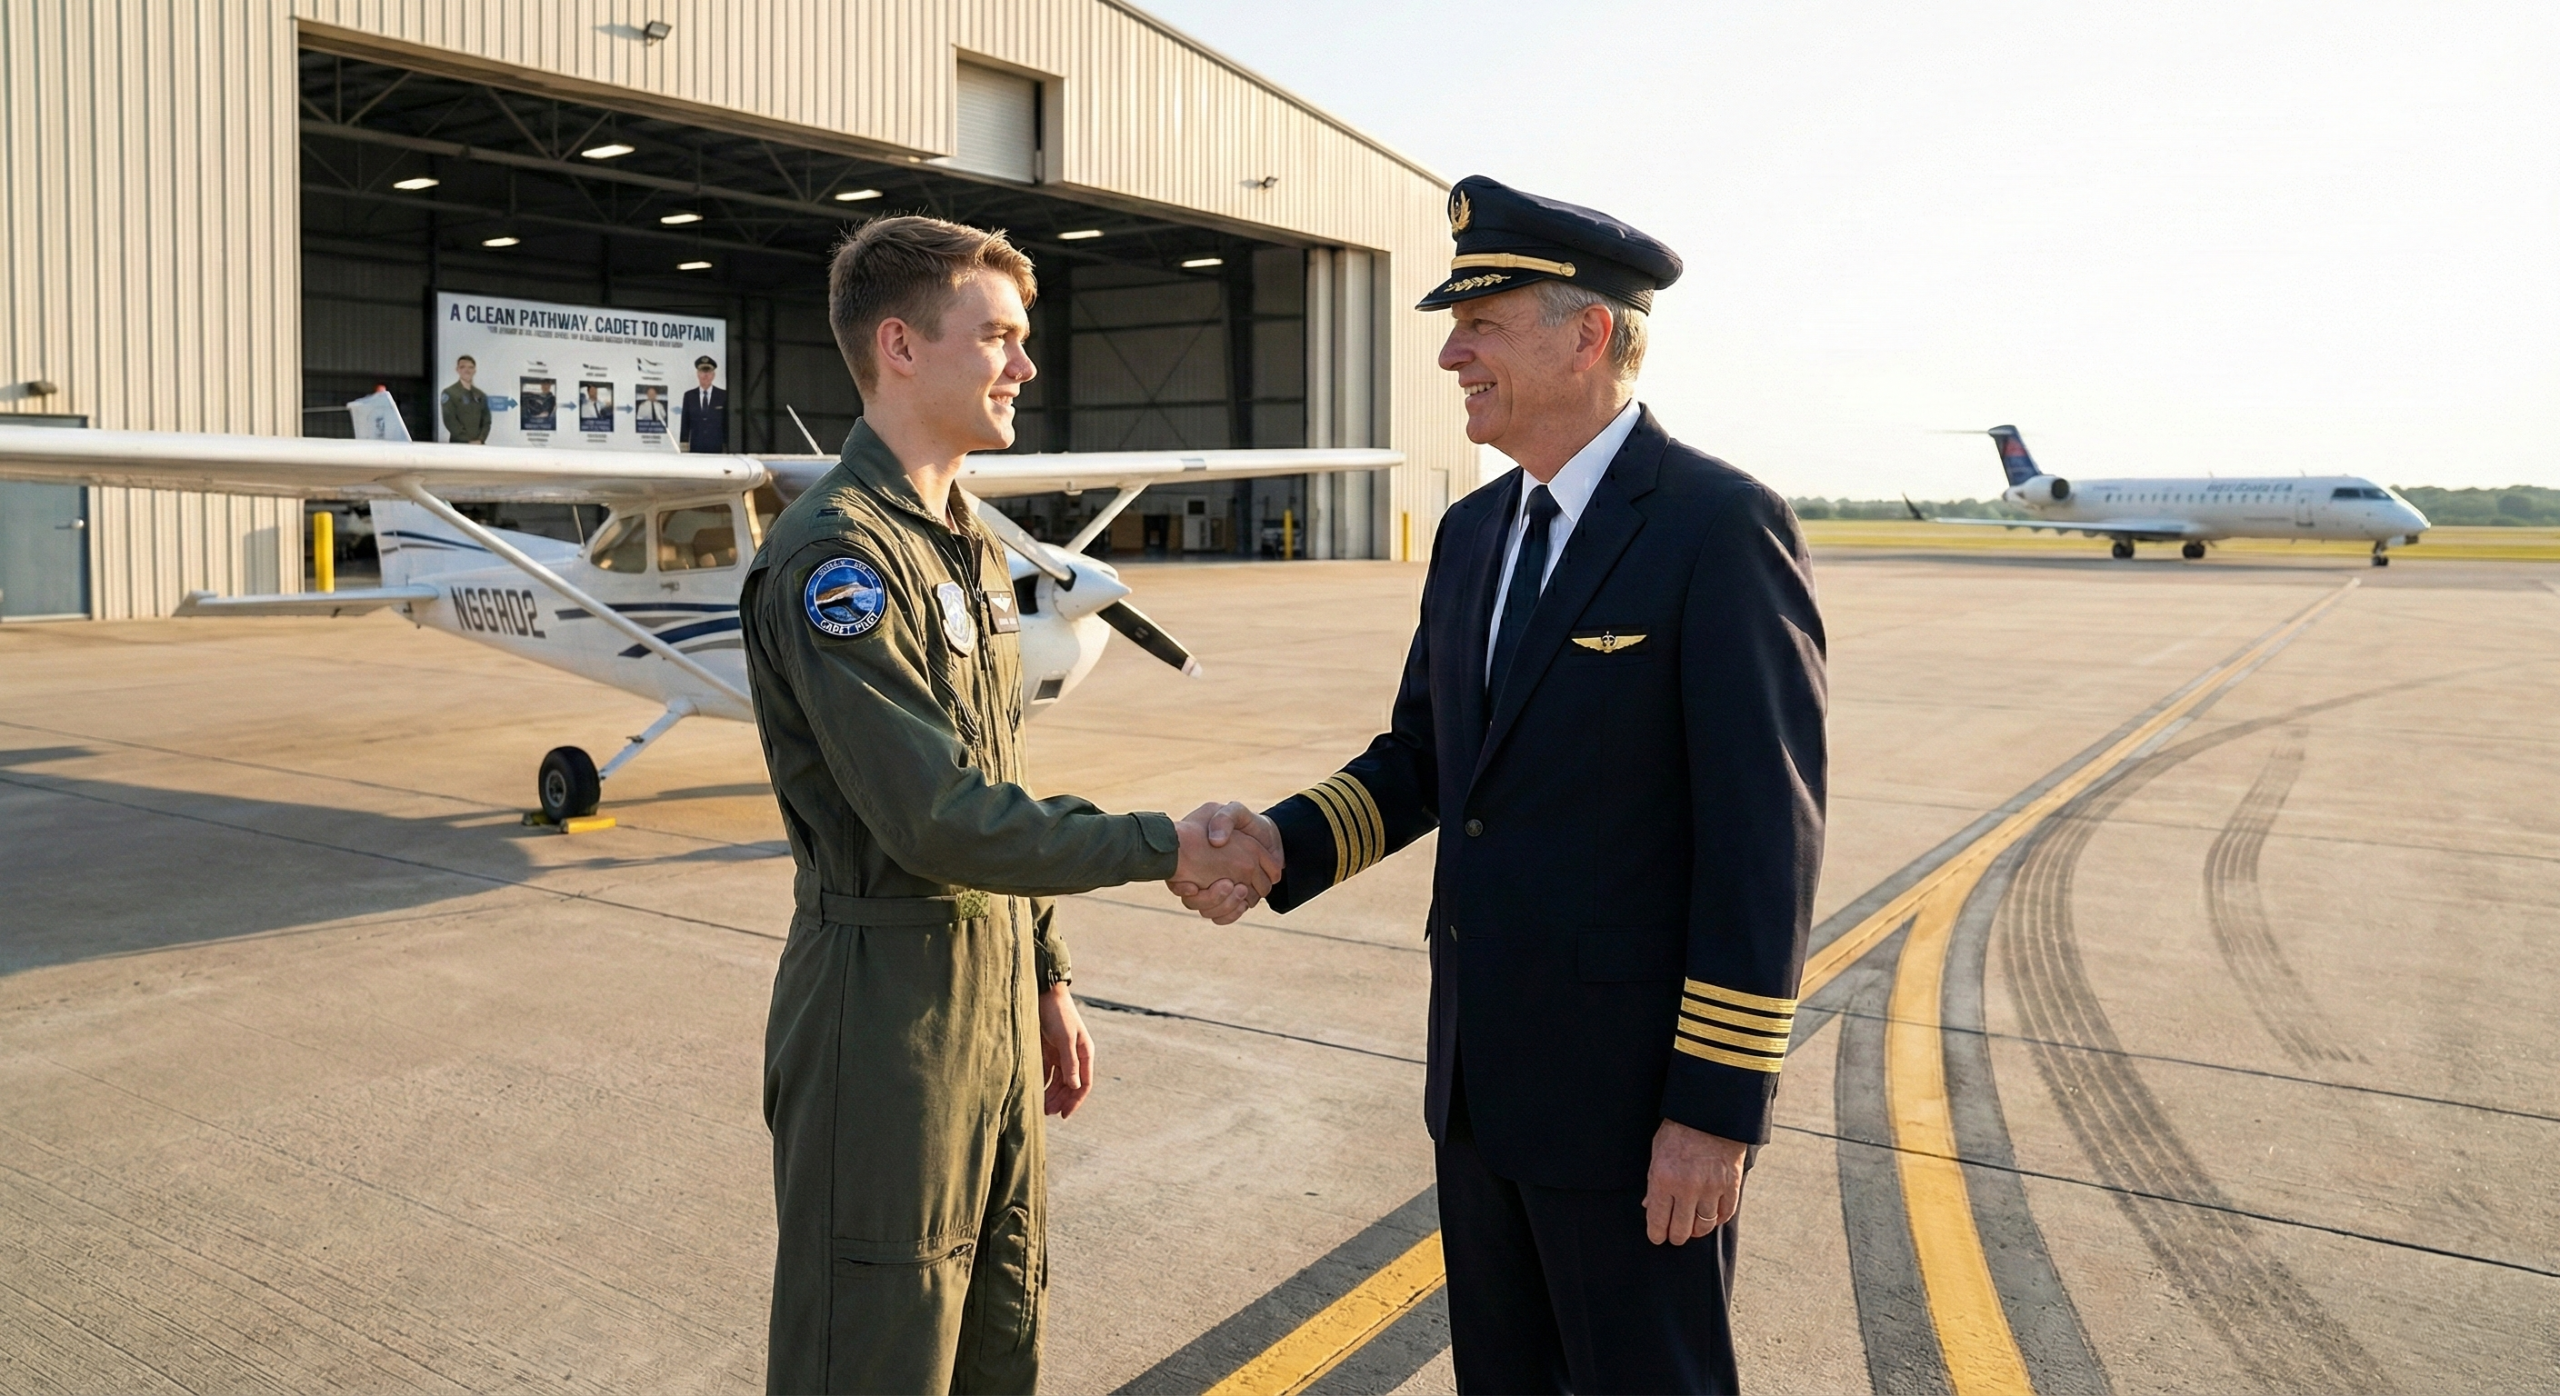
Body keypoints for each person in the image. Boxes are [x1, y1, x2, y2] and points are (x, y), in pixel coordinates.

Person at [1177, 176, 1828, 1394]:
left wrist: (1716, 1110)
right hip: (1478, 1086)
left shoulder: (1715, 526)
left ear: (1587, 334)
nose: (1448, 353)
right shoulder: (1476, 533)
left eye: (1481, 322)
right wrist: (1278, 843)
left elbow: (1762, 846)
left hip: (1637, 1112)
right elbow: (1426, 759)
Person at [740, 214, 1281, 1396]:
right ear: (900, 346)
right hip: (885, 1017)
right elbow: (931, 814)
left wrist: (1045, 972)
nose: (1026, 366)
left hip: (987, 990)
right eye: (997, 337)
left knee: (997, 1323)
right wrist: (1163, 845)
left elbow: (1000, 769)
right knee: (877, 1340)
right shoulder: (836, 554)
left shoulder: (970, 548)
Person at [680, 354, 728, 452]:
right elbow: (685, 422)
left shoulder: (723, 395)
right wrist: (684, 445)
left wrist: (727, 446)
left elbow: (727, 423)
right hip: (696, 446)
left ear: (713, 375)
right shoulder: (689, 396)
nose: (705, 375)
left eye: (709, 372)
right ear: (697, 374)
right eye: (702, 371)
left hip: (717, 447)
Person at [440, 355, 489, 443]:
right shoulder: (450, 392)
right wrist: (467, 440)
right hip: (459, 445)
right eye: (463, 367)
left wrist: (481, 439)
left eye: (471, 367)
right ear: (457, 370)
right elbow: (450, 420)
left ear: (474, 371)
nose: (467, 370)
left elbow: (486, 420)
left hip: (479, 446)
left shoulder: (480, 395)